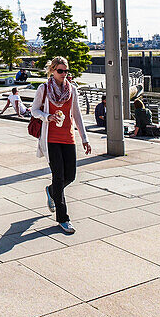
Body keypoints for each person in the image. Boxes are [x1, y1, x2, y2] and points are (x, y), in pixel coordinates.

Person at [30, 56, 91, 235]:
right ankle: (63, 219)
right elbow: (34, 110)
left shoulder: (72, 89)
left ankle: (51, 191)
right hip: (50, 138)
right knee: (58, 176)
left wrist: (84, 138)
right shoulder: (43, 89)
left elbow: (77, 115)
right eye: (60, 71)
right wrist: (47, 117)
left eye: (66, 71)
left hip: (68, 137)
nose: (64, 74)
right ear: (52, 71)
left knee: (70, 176)